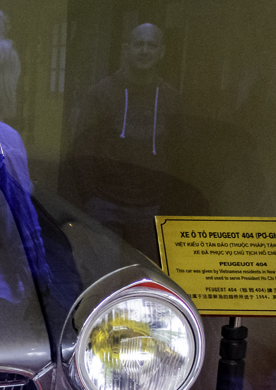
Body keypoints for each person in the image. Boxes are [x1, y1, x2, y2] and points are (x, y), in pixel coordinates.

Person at [64, 22, 188, 259]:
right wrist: (92, 198)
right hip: (106, 206)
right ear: (126, 48)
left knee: (143, 276)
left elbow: (179, 152)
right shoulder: (101, 94)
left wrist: (166, 201)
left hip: (151, 208)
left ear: (161, 51)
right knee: (105, 275)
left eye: (151, 45)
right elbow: (81, 149)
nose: (144, 51)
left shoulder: (171, 98)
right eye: (138, 44)